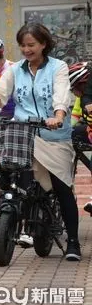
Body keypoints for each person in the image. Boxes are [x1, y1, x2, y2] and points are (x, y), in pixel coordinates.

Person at [0, 22, 81, 261]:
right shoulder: (15, 70)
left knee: (61, 189)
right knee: (14, 179)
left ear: (43, 44)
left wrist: (58, 116)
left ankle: (74, 242)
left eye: (31, 45)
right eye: (22, 46)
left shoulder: (58, 67)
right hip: (23, 134)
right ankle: (22, 223)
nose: (26, 50)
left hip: (54, 136)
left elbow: (61, 95)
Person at [69, 62, 92, 215]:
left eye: (75, 88)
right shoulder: (84, 98)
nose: (74, 93)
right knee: (74, 133)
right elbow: (75, 117)